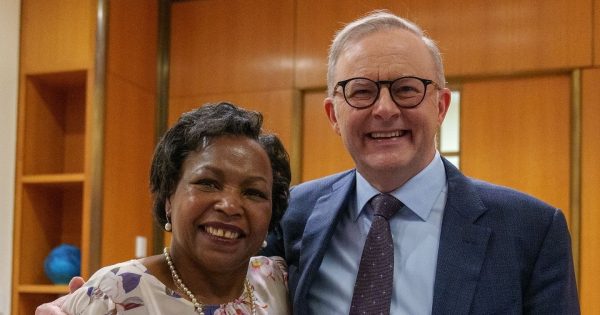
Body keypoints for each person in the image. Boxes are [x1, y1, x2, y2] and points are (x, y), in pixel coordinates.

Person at [261, 10, 580, 314]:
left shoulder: (531, 230)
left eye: (406, 89)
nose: (384, 109)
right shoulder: (293, 215)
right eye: (361, 91)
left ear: (441, 106)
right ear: (333, 115)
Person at [37, 102, 292, 314]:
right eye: (208, 183)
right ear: (169, 195)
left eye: (253, 192)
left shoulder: (277, 282)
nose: (230, 206)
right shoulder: (113, 295)